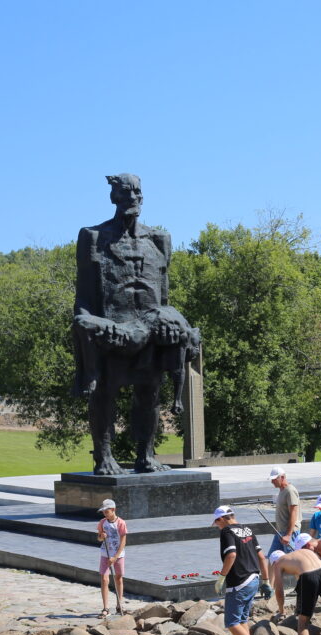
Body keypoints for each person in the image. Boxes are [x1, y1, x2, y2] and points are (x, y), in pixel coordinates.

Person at [72, 173, 201, 475]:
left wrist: (174, 321)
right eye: (125, 193)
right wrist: (87, 324)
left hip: (152, 334)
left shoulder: (159, 240)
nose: (132, 198)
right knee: (104, 394)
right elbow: (84, 300)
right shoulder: (92, 237)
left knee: (150, 395)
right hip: (112, 331)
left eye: (137, 192)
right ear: (113, 198)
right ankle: (103, 456)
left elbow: (164, 298)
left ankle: (146, 455)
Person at [212, 506, 270, 635]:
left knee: (232, 622)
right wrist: (266, 581)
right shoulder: (247, 529)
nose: (217, 526)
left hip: (239, 581)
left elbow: (231, 555)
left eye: (217, 522)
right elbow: (261, 556)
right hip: (254, 579)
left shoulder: (227, 532)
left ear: (222, 518)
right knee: (242, 620)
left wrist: (222, 577)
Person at [268, 546, 321, 635]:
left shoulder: (278, 562)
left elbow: (279, 591)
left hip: (309, 576)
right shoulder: (300, 553)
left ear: (273, 562)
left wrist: (282, 610)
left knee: (303, 621)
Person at [96, 499, 127, 617]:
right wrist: (101, 536)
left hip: (118, 555)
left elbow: (123, 542)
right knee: (104, 579)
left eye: (106, 511)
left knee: (118, 578)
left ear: (113, 510)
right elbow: (99, 538)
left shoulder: (121, 523)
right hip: (105, 553)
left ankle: (120, 604)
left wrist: (115, 557)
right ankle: (105, 608)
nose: (104, 513)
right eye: (103, 511)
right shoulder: (102, 522)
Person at [267, 466, 300, 557]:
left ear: (282, 477)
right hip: (281, 532)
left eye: (274, 479)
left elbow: (294, 512)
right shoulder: (282, 491)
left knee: (291, 559)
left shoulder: (290, 491)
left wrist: (289, 535)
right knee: (272, 558)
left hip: (290, 532)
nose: (272, 481)